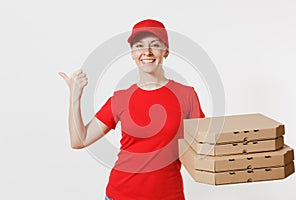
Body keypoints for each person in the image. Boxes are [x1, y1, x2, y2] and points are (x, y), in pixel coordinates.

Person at [59, 19, 205, 200]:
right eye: (139, 46)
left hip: (168, 195)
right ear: (132, 53)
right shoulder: (120, 99)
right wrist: (75, 97)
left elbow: (204, 144)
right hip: (120, 194)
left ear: (166, 51)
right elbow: (79, 140)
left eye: (155, 45)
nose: (147, 52)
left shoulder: (186, 95)